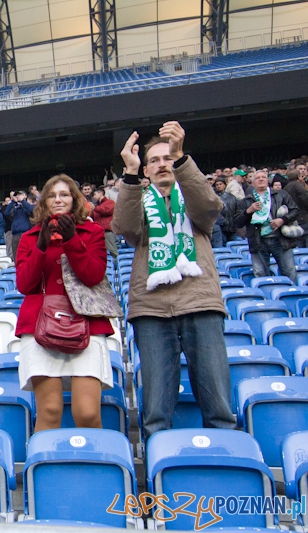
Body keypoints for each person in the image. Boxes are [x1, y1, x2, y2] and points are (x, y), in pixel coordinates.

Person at [112, 121, 236, 439]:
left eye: (168, 158)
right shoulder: (140, 200)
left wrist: (182, 159)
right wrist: (129, 174)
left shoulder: (192, 197)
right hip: (151, 309)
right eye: (154, 160)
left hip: (199, 302)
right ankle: (161, 471)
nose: (162, 164)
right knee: (154, 408)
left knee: (218, 402)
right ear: (146, 171)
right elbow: (125, 227)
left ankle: (224, 465)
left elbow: (209, 208)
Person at [15, 174, 114, 432]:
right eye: (52, 195)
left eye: (65, 194)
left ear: (75, 199)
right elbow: (25, 285)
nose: (58, 199)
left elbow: (92, 275)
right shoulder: (29, 238)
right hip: (39, 326)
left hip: (87, 323)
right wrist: (41, 247)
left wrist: (72, 241)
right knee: (49, 411)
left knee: (88, 412)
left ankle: (94, 469)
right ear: (43, 202)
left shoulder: (93, 232)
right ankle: (45, 470)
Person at [235, 170, 299, 283]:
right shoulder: (246, 201)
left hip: (281, 239)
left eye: (263, 177)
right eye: (257, 178)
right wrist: (248, 211)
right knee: (260, 273)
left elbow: (295, 210)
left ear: (267, 180)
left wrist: (282, 220)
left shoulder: (281, 194)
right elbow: (237, 223)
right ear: (252, 183)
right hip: (258, 240)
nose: (261, 179)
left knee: (289, 271)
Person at [4, 190, 34, 263]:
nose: (18, 196)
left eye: (20, 194)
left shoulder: (29, 206)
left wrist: (23, 201)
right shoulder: (15, 208)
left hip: (26, 234)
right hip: (15, 235)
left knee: (29, 258)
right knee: (17, 259)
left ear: (25, 196)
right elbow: (6, 213)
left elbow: (32, 210)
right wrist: (13, 202)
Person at [284, 169, 308, 247]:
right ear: (298, 176)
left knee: (299, 241)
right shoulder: (298, 186)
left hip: (293, 219)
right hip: (303, 218)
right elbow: (305, 199)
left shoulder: (285, 188)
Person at [91, 187, 117, 258]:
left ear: (100, 193)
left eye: (95, 194)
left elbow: (107, 211)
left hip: (107, 231)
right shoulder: (97, 205)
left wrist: (95, 208)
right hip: (98, 232)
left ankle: (115, 266)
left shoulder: (110, 202)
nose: (94, 197)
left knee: (112, 251)